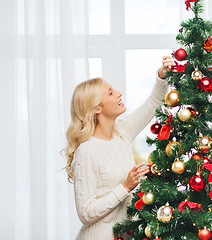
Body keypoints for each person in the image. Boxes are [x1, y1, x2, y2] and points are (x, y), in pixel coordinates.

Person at [62, 56, 174, 240]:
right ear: (97, 108)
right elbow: (86, 213)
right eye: (111, 93)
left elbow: (152, 104)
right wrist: (126, 186)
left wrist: (161, 78)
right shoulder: (87, 151)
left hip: (125, 235)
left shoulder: (121, 132)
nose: (119, 93)